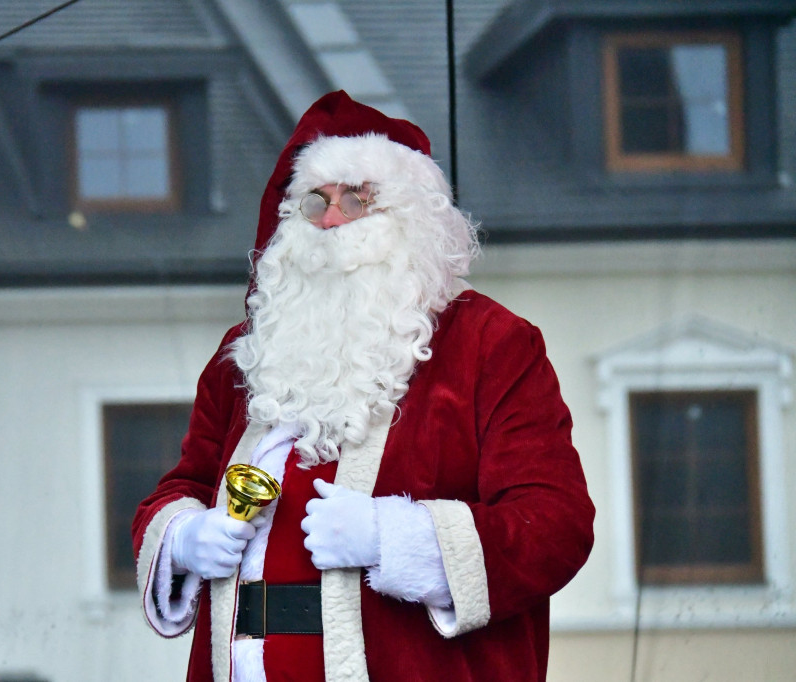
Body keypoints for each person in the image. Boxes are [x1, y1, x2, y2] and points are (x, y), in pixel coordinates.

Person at [132, 90, 594, 682]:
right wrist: (184, 537)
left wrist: (393, 538)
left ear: (414, 216)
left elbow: (553, 524)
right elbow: (182, 485)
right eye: (315, 202)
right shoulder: (249, 352)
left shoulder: (491, 345)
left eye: (356, 199)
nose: (329, 221)